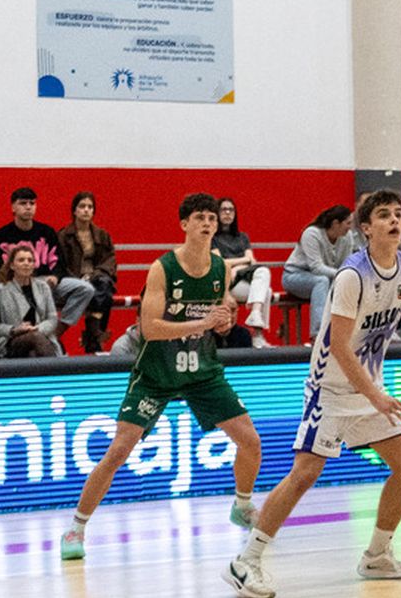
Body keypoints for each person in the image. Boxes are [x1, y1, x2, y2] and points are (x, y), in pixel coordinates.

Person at [225, 191, 401, 598]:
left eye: (398, 214)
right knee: (305, 474)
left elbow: (378, 337)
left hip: (368, 389)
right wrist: (377, 395)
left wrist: (375, 392)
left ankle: (377, 555)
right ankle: (247, 560)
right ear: (365, 229)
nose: (394, 220)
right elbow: (339, 346)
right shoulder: (352, 275)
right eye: (383, 215)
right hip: (331, 389)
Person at [61, 193, 261, 561]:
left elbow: (219, 315)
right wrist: (203, 322)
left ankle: (242, 505)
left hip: (201, 369)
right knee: (120, 449)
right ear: (184, 224)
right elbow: (150, 329)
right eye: (200, 217)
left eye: (212, 219)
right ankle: (77, 526)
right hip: (157, 371)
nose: (207, 223)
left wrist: (223, 321)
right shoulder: (163, 268)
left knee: (250, 441)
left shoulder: (222, 268)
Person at [0, 187, 95, 344]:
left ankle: (57, 331)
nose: (28, 207)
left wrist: (55, 276)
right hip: (16, 284)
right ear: (13, 207)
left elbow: (59, 262)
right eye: (23, 203)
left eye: (32, 203)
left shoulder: (47, 232)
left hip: (46, 282)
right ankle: (0, 337)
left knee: (86, 289)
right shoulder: (2, 235)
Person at [59, 192, 118, 353]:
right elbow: (61, 264)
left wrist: (95, 274)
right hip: (73, 279)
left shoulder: (102, 235)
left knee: (103, 285)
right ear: (74, 211)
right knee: (95, 290)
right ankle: (94, 335)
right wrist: (78, 279)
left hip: (97, 277)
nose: (86, 210)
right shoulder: (64, 235)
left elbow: (109, 259)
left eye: (90, 207)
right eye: (82, 206)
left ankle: (92, 335)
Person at [283, 205, 353, 338]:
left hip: (328, 278)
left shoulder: (348, 237)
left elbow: (347, 264)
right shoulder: (312, 234)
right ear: (335, 223)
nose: (350, 227)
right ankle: (319, 333)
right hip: (294, 276)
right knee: (321, 281)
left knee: (347, 285)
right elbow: (316, 267)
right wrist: (342, 275)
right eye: (347, 223)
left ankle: (348, 333)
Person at [214, 197, 274, 348]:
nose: (228, 213)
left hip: (241, 276)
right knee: (264, 289)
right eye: (224, 209)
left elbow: (252, 261)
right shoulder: (213, 237)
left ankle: (256, 319)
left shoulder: (242, 237)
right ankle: (257, 332)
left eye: (231, 210)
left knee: (265, 285)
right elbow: (221, 263)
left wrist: (237, 268)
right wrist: (241, 262)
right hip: (226, 283)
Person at [0, 245, 62, 357]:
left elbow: (52, 319)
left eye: (30, 260)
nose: (26, 263)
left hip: (41, 338)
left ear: (34, 265)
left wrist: (38, 328)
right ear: (12, 265)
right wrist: (14, 330)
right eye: (21, 260)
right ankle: (57, 371)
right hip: (12, 341)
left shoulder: (43, 287)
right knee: (35, 337)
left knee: (33, 353)